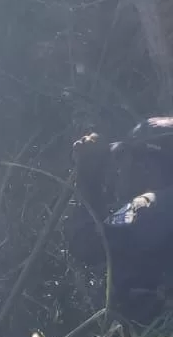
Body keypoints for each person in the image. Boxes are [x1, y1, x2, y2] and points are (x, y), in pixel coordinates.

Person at [73, 118, 173, 323]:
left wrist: (88, 176)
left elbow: (86, 244)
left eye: (127, 159)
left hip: (153, 334)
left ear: (147, 164)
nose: (121, 170)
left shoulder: (151, 206)